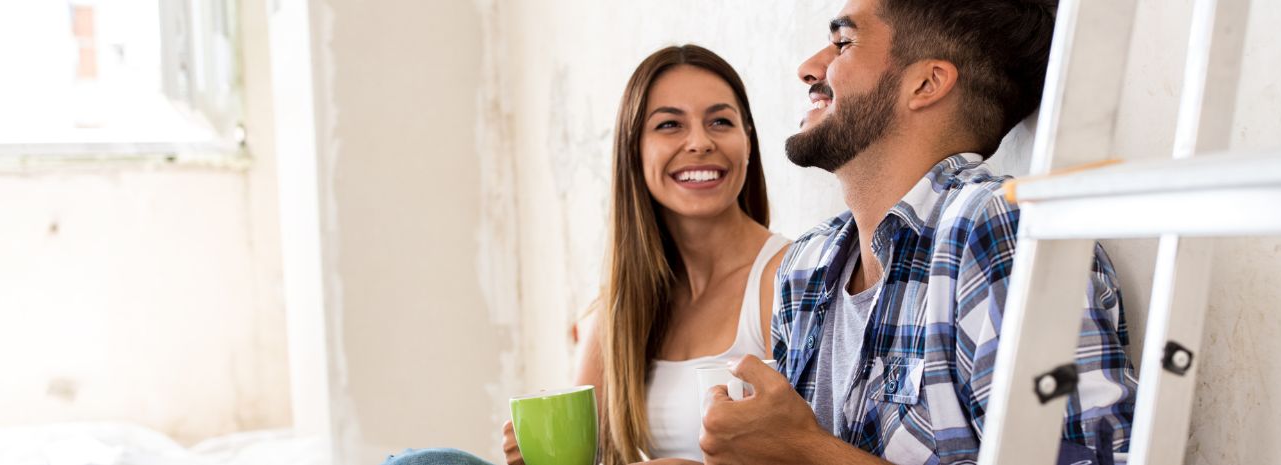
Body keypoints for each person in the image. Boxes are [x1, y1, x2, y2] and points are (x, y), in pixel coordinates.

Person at [694, 0, 1137, 464]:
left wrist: (806, 450)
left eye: (843, 43)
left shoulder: (999, 233)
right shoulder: (806, 265)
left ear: (926, 83)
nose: (809, 69)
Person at [382, 44, 787, 465]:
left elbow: (808, 448)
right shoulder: (622, 305)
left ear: (748, 140)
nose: (700, 142)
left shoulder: (785, 278)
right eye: (670, 125)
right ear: (634, 149)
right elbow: (587, 458)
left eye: (721, 121)